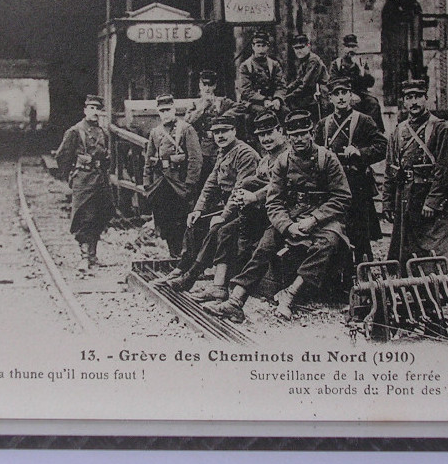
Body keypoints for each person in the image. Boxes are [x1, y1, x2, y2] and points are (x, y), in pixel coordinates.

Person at [206, 110, 351, 323]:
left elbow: (342, 196)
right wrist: (286, 225)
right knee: (265, 245)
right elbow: (274, 200)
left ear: (311, 133)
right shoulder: (282, 162)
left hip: (324, 217)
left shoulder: (326, 158)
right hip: (291, 215)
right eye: (295, 135)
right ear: (288, 136)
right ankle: (236, 300)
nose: (299, 139)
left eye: (303, 133)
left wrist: (315, 219)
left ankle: (289, 294)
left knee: (328, 243)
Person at [159, 113, 259, 295]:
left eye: (225, 131)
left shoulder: (245, 154)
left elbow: (239, 190)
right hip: (230, 206)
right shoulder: (223, 151)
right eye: (216, 132)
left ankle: (191, 276)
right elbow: (211, 183)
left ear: (234, 131)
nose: (220, 136)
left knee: (217, 229)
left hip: (247, 209)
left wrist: (222, 216)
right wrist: (198, 209)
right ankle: (183, 268)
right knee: (195, 221)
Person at [383, 79, 448, 277]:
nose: (414, 102)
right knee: (406, 250)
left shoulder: (438, 128)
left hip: (430, 201)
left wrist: (433, 201)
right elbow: (391, 169)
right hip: (406, 198)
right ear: (404, 102)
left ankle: (447, 288)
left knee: (438, 249)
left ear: (426, 98)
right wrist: (387, 203)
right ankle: (412, 289)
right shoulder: (399, 131)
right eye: (409, 97)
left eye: (418, 96)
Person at [316, 77, 387, 272]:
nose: (340, 98)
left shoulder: (364, 120)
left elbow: (383, 146)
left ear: (350, 95)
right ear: (330, 98)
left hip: (357, 184)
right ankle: (341, 275)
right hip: (332, 186)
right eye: (336, 94)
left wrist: (359, 151)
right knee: (335, 229)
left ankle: (365, 274)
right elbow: (314, 152)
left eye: (344, 93)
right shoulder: (323, 124)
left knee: (360, 233)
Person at [54, 95, 115, 272]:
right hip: (84, 180)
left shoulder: (102, 132)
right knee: (83, 218)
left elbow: (107, 157)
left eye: (97, 109)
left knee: (101, 215)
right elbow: (62, 156)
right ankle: (84, 257)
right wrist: (71, 176)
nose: (94, 112)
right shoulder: (75, 131)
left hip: (100, 180)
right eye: (91, 108)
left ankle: (93, 256)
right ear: (85, 110)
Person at [142, 94, 203, 257]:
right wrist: (147, 184)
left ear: (174, 110)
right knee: (166, 221)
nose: (165, 114)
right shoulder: (155, 133)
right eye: (162, 111)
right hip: (162, 185)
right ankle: (173, 254)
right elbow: (148, 161)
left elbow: (195, 159)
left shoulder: (186, 129)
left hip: (180, 184)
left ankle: (186, 257)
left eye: (168, 110)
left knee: (183, 221)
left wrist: (190, 183)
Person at [184, 69, 237, 186]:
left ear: (215, 86)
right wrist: (202, 108)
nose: (207, 88)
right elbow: (187, 121)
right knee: (203, 178)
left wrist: (223, 116)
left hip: (220, 145)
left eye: (210, 85)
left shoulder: (222, 102)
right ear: (200, 85)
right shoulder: (195, 104)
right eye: (204, 84)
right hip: (202, 147)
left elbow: (240, 108)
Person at [237, 31, 286, 137]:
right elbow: (245, 90)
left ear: (268, 47)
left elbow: (281, 85)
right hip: (252, 102)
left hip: (272, 101)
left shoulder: (274, 64)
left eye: (263, 46)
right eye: (258, 46)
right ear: (253, 47)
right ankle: (253, 142)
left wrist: (277, 99)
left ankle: (284, 139)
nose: (261, 49)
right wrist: (263, 100)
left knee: (285, 112)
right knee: (255, 116)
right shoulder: (246, 66)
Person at [285, 34, 329, 123]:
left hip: (318, 95)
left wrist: (288, 96)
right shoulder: (304, 60)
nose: (299, 51)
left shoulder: (313, 61)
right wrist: (285, 90)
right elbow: (299, 80)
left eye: (301, 47)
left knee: (291, 106)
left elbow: (306, 85)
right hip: (309, 94)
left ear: (308, 46)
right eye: (296, 48)